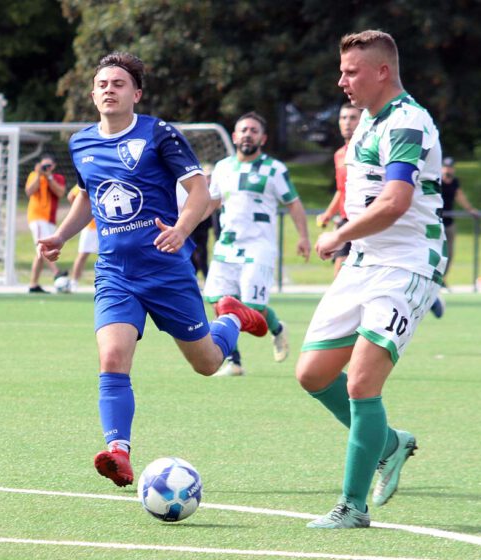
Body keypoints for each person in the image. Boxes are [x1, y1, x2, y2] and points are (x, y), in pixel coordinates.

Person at [37, 52, 268, 488]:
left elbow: (198, 189)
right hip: (115, 272)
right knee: (112, 356)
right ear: (92, 93)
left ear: (136, 94)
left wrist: (182, 230)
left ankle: (234, 316)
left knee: (206, 363)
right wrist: (60, 237)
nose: (109, 89)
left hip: (166, 270)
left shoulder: (158, 133)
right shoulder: (81, 142)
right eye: (102, 83)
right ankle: (118, 451)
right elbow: (87, 197)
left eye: (119, 83)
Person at [296, 30, 447, 530]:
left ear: (382, 71)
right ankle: (390, 443)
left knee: (362, 383)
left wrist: (337, 234)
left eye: (352, 71)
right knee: (313, 374)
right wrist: (348, 235)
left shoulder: (407, 122)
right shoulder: (367, 122)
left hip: (406, 263)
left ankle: (352, 507)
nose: (342, 80)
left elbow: (396, 202)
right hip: (364, 261)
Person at [203, 111, 311, 376]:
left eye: (253, 130)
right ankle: (234, 361)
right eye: (243, 130)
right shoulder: (223, 168)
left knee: (253, 310)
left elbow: (293, 203)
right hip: (227, 246)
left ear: (262, 138)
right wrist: (184, 226)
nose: (248, 134)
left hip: (258, 248)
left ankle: (277, 328)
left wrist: (304, 237)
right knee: (220, 303)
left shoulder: (275, 169)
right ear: (234, 136)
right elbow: (212, 202)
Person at [316, 103, 362, 278]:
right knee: (341, 272)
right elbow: (341, 190)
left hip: (365, 218)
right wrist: (328, 214)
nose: (347, 122)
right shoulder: (339, 155)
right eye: (343, 118)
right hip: (346, 219)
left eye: (352, 118)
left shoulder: (368, 150)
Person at [25, 154, 67, 293]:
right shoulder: (34, 175)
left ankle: (33, 284)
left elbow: (60, 193)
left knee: (40, 252)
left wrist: (49, 177)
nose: (46, 168)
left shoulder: (57, 178)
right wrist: (39, 174)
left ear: (53, 166)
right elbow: (29, 191)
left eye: (48, 166)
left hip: (50, 219)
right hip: (37, 217)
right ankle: (57, 273)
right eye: (44, 166)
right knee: (43, 247)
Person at [439, 157, 478, 284]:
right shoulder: (437, 180)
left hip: (449, 222)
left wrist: (470, 209)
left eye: (450, 167)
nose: (448, 169)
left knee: (449, 253)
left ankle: (442, 278)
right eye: (446, 167)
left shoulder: (455, 182)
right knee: (437, 251)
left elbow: (459, 196)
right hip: (436, 220)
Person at [67, 185, 98, 291]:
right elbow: (71, 195)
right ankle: (74, 281)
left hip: (105, 226)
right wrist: (80, 212)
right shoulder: (89, 176)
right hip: (90, 226)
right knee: (83, 254)